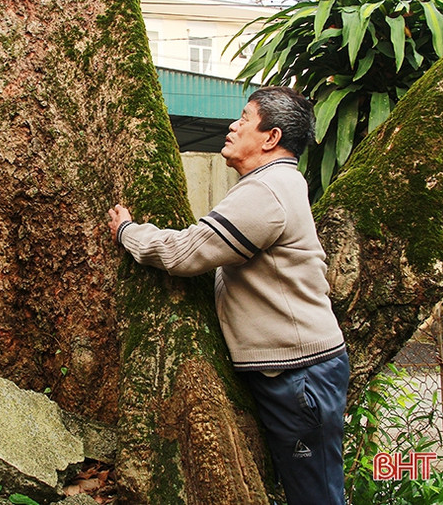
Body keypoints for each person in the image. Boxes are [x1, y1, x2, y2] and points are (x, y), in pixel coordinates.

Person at [108, 86, 349, 505]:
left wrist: (128, 231)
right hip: (295, 371)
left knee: (316, 494)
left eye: (244, 118)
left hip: (298, 375)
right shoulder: (276, 183)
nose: (233, 125)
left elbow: (186, 252)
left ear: (270, 138)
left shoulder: (267, 191)